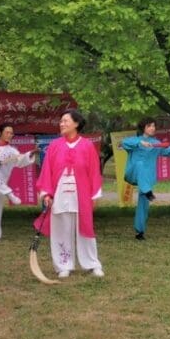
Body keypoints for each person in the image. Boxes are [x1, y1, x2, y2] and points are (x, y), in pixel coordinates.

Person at [35, 109, 104, 278]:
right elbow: (47, 171)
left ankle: (92, 263)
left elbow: (94, 171)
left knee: (86, 229)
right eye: (61, 121)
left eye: (65, 121)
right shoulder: (54, 145)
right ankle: (64, 264)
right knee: (61, 229)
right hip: (59, 194)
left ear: (76, 124)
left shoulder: (87, 145)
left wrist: (94, 194)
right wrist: (47, 194)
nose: (62, 124)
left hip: (81, 194)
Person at [121, 118, 170, 240]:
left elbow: (166, 151)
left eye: (153, 126)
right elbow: (123, 143)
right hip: (133, 173)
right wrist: (140, 143)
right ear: (143, 128)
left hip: (147, 178)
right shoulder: (135, 140)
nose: (153, 128)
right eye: (149, 126)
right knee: (140, 164)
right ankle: (147, 191)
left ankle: (139, 232)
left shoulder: (155, 143)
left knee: (143, 204)